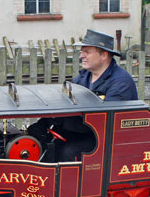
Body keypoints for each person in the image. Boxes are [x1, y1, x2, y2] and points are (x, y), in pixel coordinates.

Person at [29, 29, 138, 161]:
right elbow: (65, 102)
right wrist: (45, 122)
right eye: (82, 51)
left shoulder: (121, 82)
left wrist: (61, 122)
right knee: (46, 142)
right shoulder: (83, 78)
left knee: (66, 151)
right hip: (86, 131)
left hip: (109, 139)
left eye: (87, 52)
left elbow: (105, 122)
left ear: (104, 54)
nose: (82, 56)